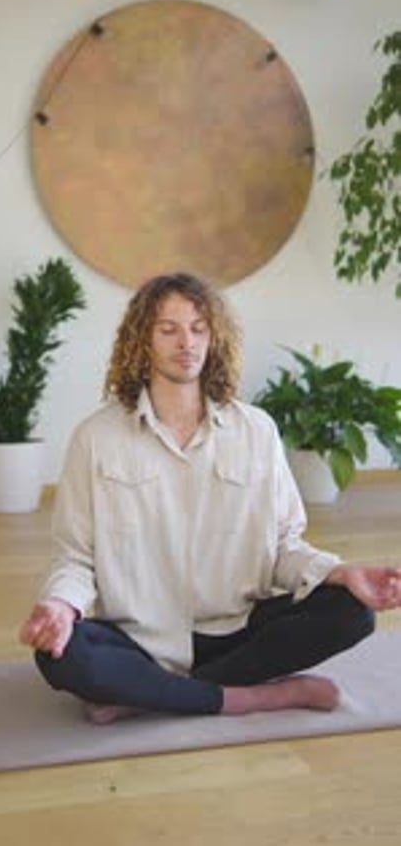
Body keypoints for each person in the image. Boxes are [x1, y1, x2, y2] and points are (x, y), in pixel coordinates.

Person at [20, 272, 401, 724]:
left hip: (238, 629)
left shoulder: (256, 430)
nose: (187, 342)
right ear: (142, 340)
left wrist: (341, 573)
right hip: (142, 638)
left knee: (351, 613)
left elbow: (284, 546)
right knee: (61, 656)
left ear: (213, 337)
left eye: (199, 328)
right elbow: (76, 556)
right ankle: (249, 697)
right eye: (169, 329)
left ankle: (150, 695)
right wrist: (61, 607)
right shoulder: (96, 438)